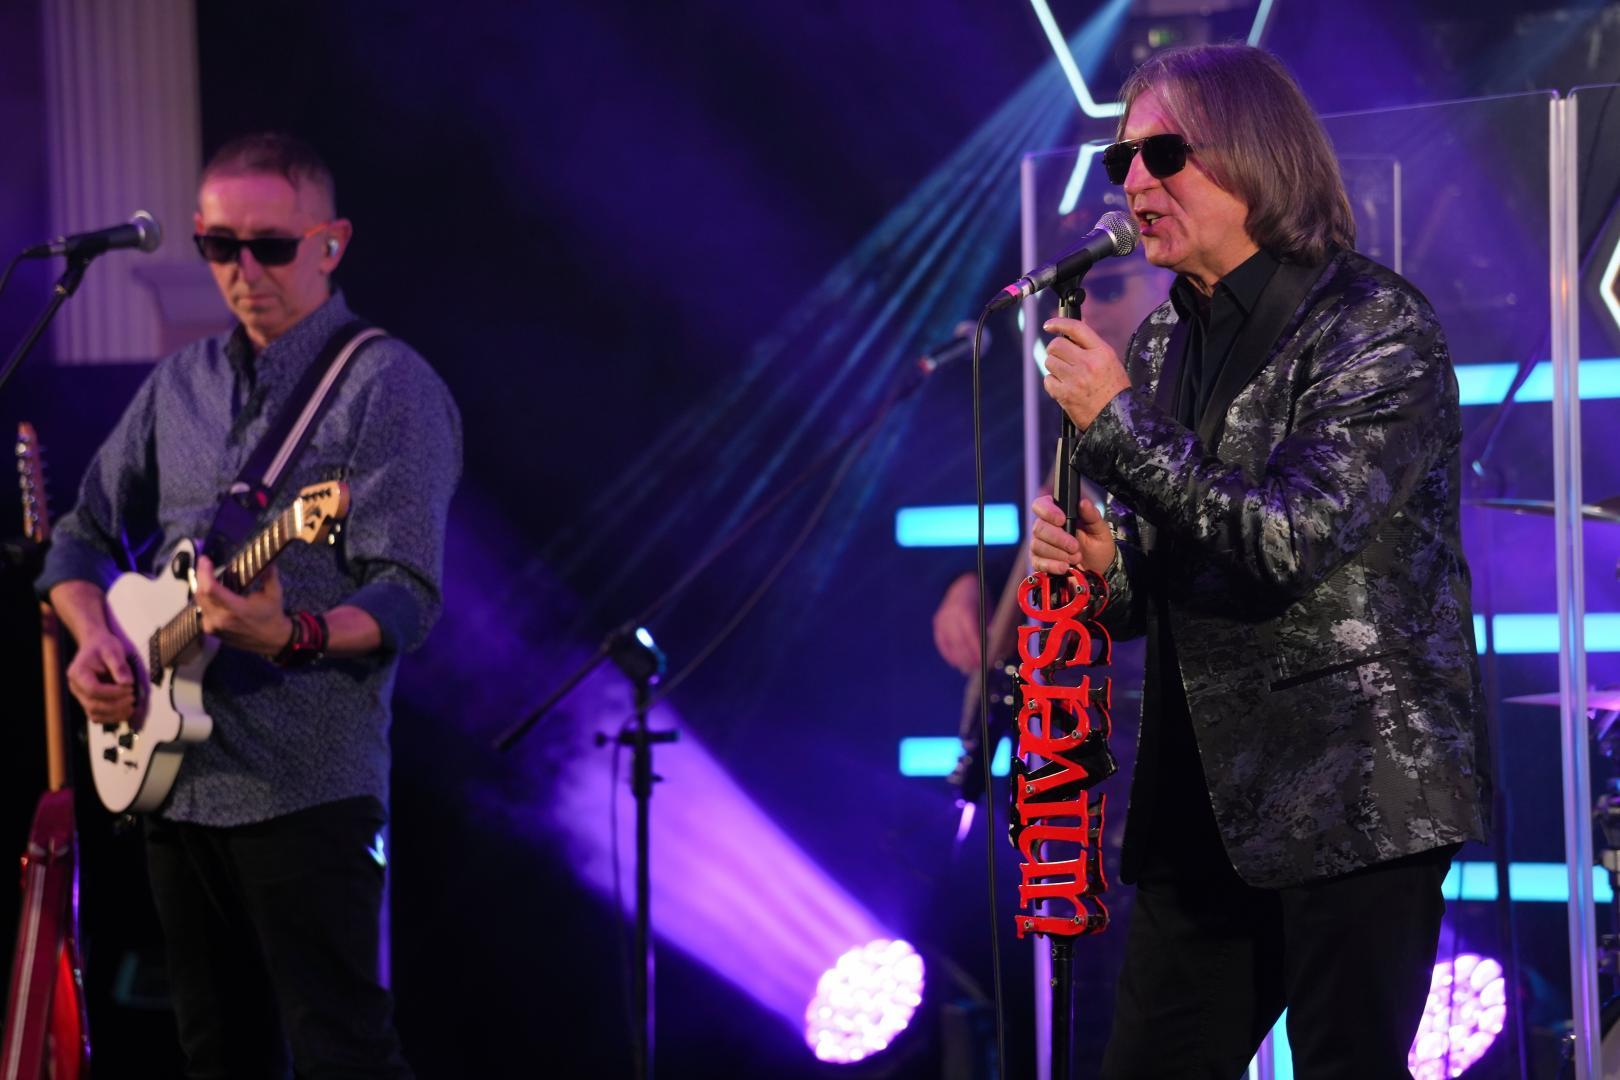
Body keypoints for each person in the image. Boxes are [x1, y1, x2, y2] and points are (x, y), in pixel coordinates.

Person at [1026, 44, 1490, 1078]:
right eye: (1121, 159)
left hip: (1355, 793)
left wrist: (1117, 426)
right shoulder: (1161, 343)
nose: (1136, 181)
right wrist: (1110, 570)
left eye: (1164, 154)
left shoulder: (1373, 323)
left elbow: (1289, 537)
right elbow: (1187, 560)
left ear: (1255, 156)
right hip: (1204, 803)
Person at [37, 132, 460, 1077]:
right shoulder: (180, 382)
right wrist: (94, 637)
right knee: (214, 1054)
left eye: (270, 245)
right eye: (219, 246)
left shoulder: (388, 386)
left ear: (330, 243)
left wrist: (291, 632)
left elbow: (406, 596)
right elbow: (78, 535)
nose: (244, 270)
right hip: (175, 782)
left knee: (343, 1053)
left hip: (305, 783)